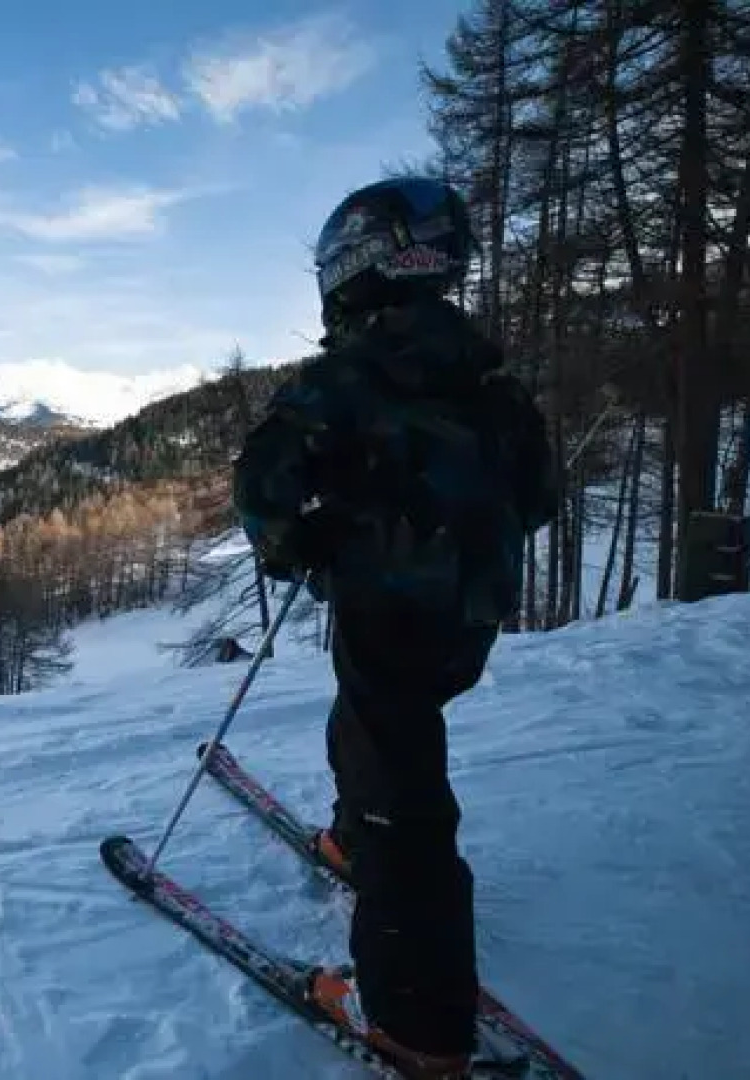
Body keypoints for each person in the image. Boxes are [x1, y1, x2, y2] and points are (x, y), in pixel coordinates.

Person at [232, 177, 558, 1078]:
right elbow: (539, 495)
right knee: (377, 732)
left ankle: (415, 1027)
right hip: (470, 615)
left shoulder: (348, 375)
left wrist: (311, 539)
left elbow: (263, 490)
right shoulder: (485, 372)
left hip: (389, 610)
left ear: (362, 263)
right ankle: (351, 834)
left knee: (406, 802)